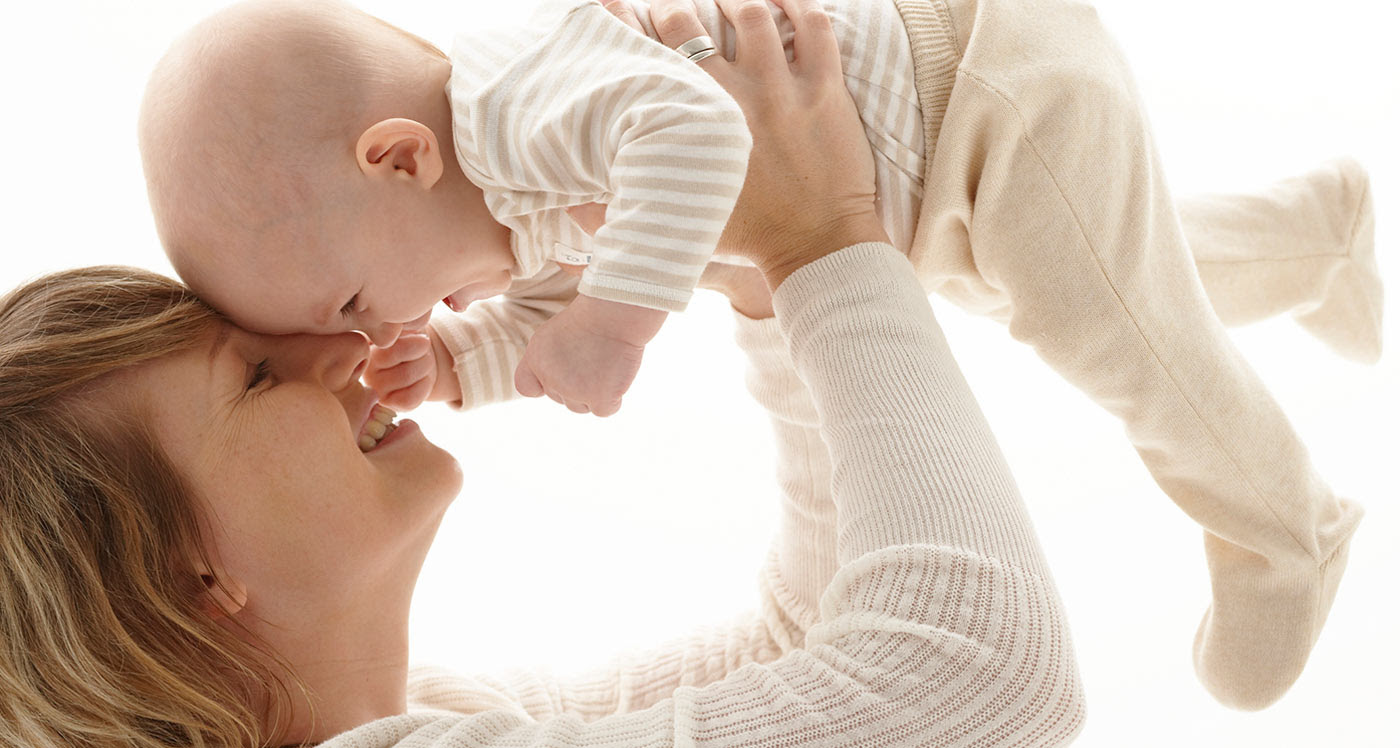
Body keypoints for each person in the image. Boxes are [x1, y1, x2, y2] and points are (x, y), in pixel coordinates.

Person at [136, 0, 1372, 710]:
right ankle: (1316, 240)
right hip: (931, 166)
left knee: (1113, 332)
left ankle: (1282, 525)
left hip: (977, 91)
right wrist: (466, 361)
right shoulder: (495, 196)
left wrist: (615, 325)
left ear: (399, 159)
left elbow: (688, 128)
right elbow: (557, 300)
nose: (365, 345)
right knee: (1108, 277)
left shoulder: (515, 114)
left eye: (355, 303)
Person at [3, 1, 1087, 745]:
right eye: (252, 377)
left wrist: (763, 270)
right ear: (191, 585)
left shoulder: (439, 710)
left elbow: (799, 645)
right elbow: (983, 681)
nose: (345, 352)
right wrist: (823, 241)